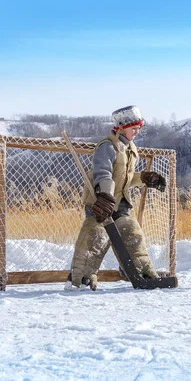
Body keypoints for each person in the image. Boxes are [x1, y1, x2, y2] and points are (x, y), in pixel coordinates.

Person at [65, 105, 166, 291]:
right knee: (96, 236)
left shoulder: (130, 148)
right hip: (101, 202)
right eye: (133, 128)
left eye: (138, 128)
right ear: (120, 127)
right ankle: (81, 277)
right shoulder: (107, 147)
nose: (136, 132)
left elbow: (125, 178)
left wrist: (143, 178)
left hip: (120, 203)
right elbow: (103, 173)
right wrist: (105, 196)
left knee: (132, 233)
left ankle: (142, 271)